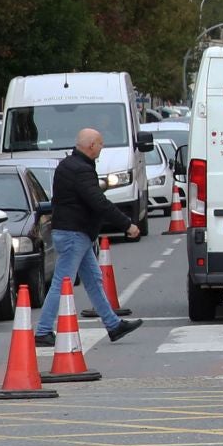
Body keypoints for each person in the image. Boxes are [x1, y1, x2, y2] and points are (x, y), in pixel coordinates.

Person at [36, 128, 143, 345]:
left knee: (94, 280)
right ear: (91, 145)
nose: (102, 148)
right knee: (62, 282)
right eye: (100, 144)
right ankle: (42, 330)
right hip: (74, 233)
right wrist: (127, 224)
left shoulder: (68, 165)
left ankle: (113, 325)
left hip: (75, 233)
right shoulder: (81, 170)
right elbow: (98, 202)